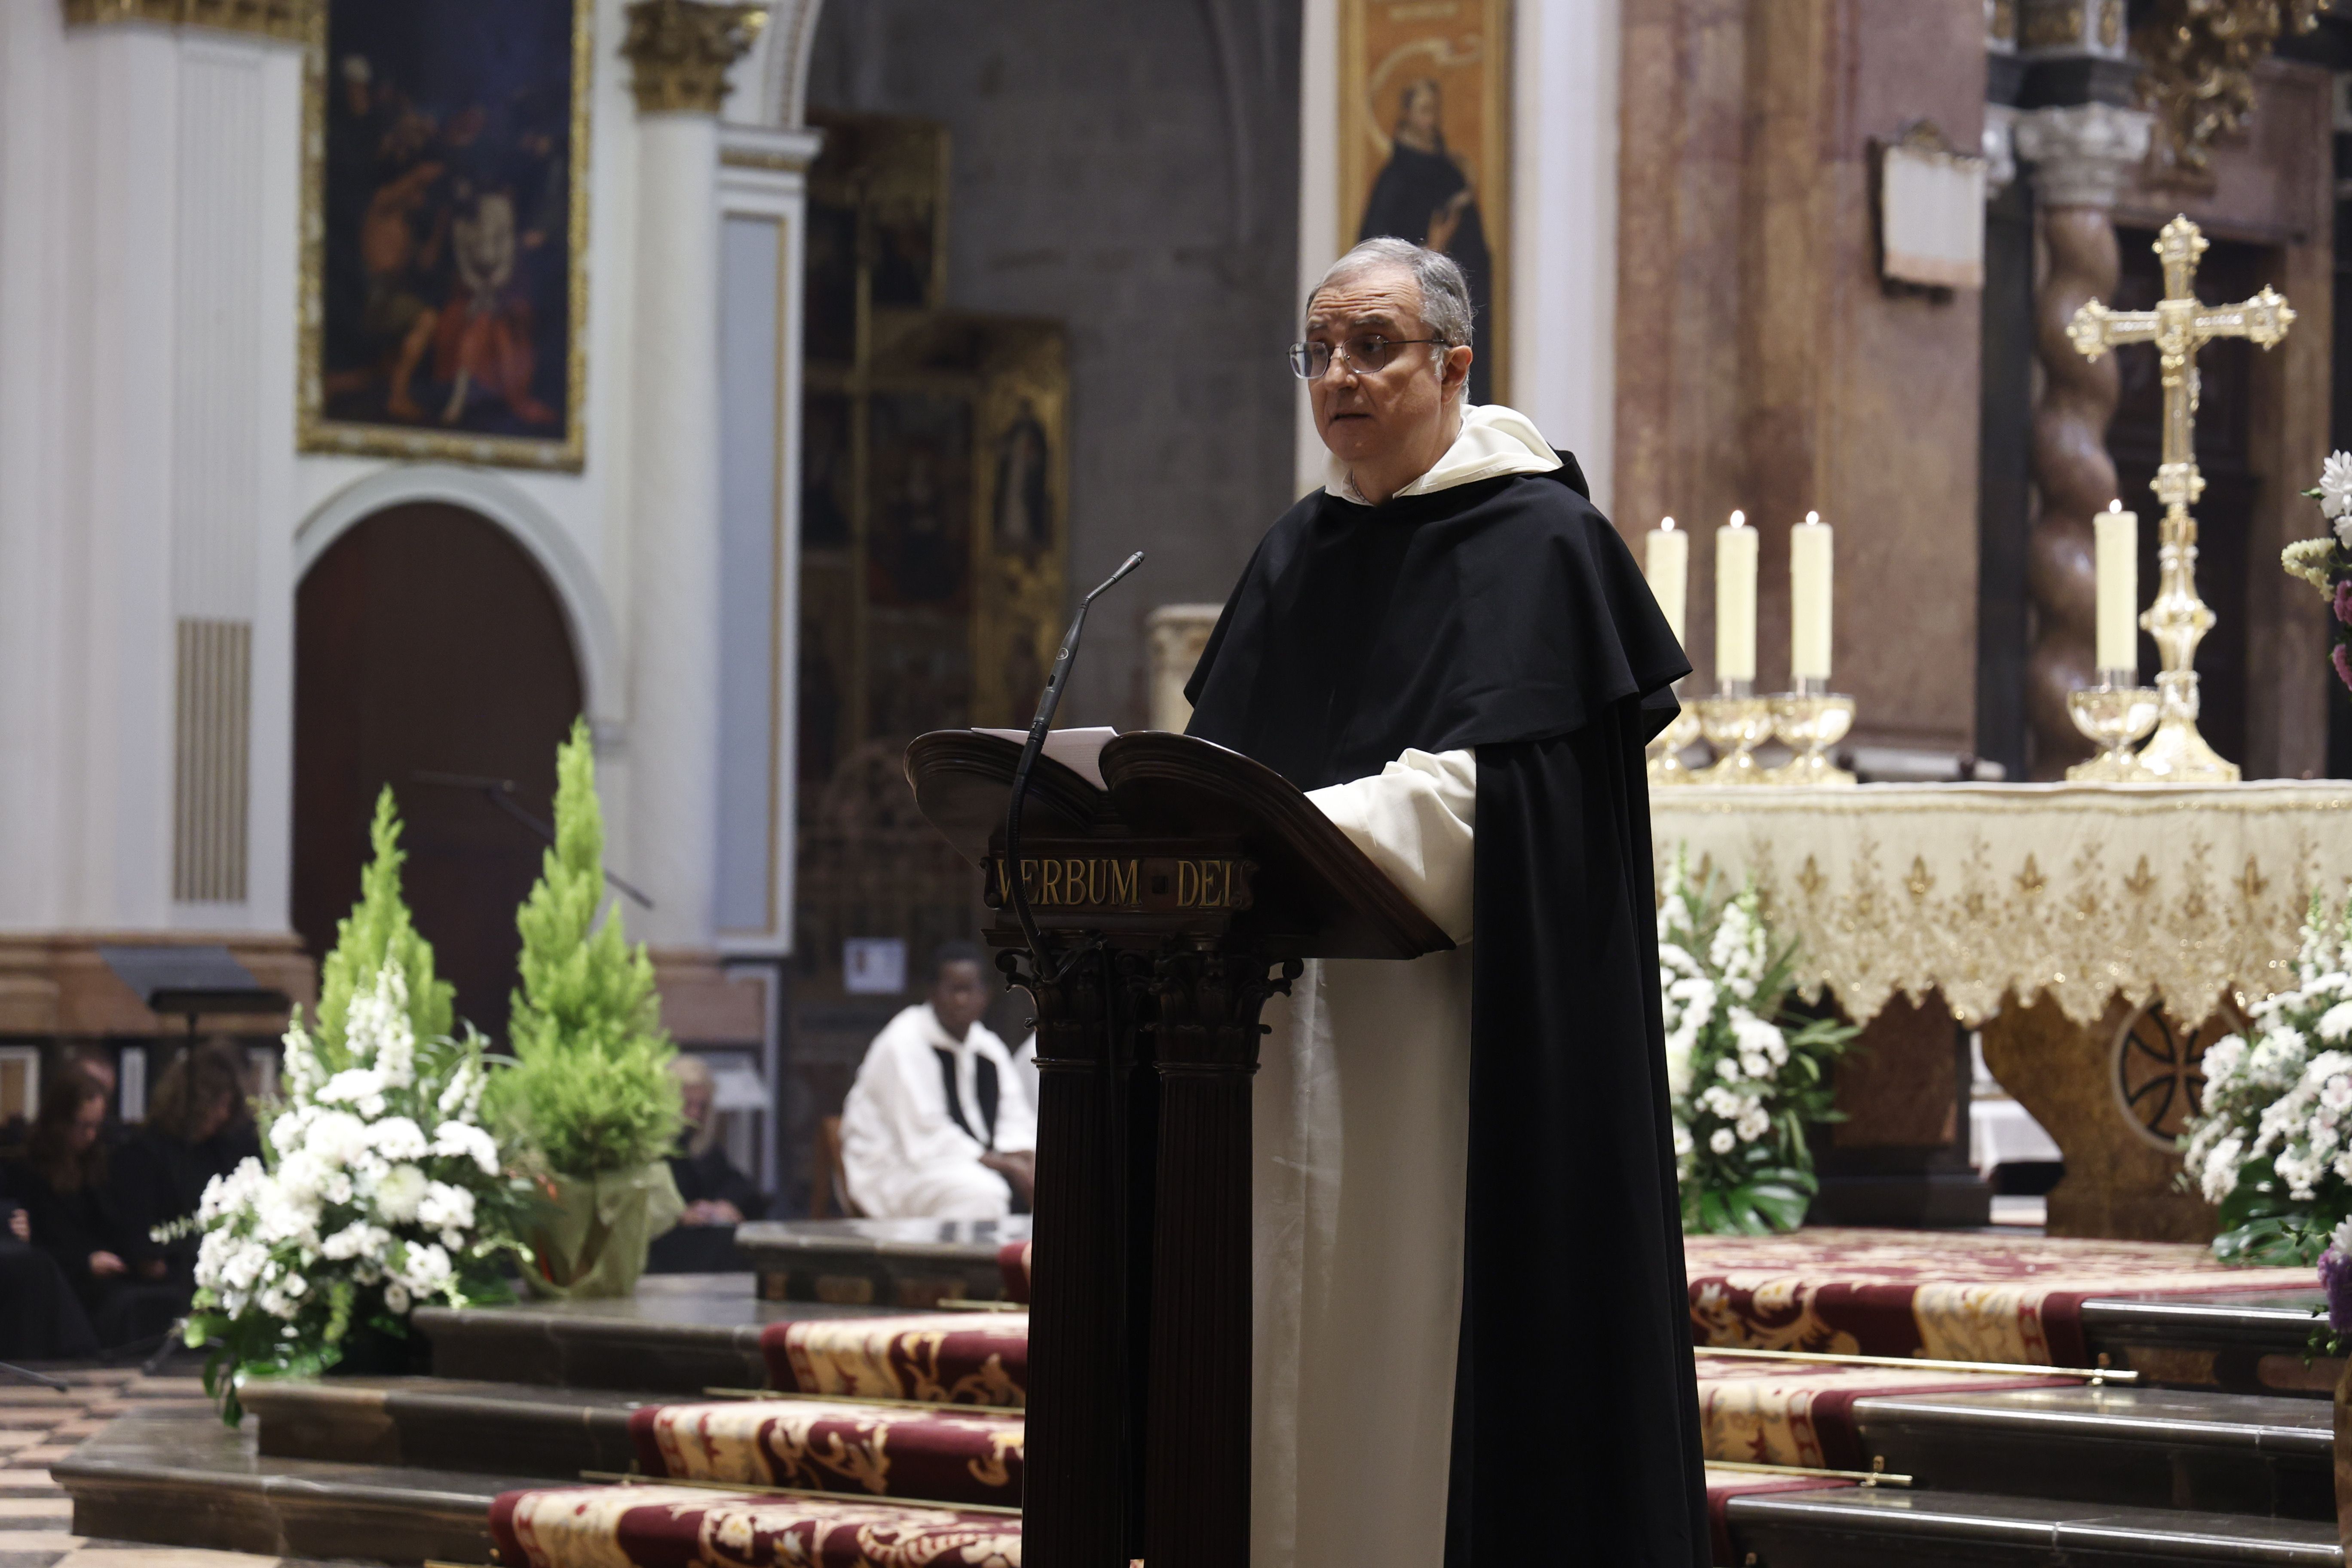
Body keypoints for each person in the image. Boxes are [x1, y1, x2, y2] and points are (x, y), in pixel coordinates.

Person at [1182, 237, 1703, 1567]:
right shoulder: (1299, 552)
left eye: (1373, 346)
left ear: (1455, 365)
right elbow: (1221, 768)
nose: (1340, 375)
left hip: (1458, 1048)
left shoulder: (1543, 545)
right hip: (1279, 1031)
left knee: (1418, 1365)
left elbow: (1494, 807)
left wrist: (1289, 831)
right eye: (1321, 350)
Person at [840, 943, 1036, 1219]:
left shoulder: (988, 1048)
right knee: (979, 1194)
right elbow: (927, 1136)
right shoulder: (904, 1041)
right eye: (953, 990)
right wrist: (1009, 1167)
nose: (961, 1000)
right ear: (932, 992)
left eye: (969, 990)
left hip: (977, 1166)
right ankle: (963, 1265)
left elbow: (1015, 1121)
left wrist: (1027, 1161)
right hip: (901, 1170)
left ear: (986, 996)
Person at [8, 1070, 174, 1348]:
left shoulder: (99, 1163)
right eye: (82, 1126)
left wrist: (140, 1258)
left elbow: (113, 1227)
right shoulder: (29, 1170)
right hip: (63, 1279)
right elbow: (38, 1243)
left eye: (96, 1127)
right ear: (60, 1122)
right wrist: (86, 1262)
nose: (90, 1136)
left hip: (104, 1276)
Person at [113, 1042, 255, 1288]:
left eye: (227, 1106)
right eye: (217, 1105)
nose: (223, 1115)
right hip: (165, 1274)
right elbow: (138, 1233)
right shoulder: (145, 1152)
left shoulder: (222, 1149)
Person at [667, 1055, 768, 1226]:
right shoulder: (650, 1153)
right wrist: (678, 1215)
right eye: (687, 1104)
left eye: (702, 1107)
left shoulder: (701, 1147)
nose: (695, 1115)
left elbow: (737, 1184)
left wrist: (725, 1205)